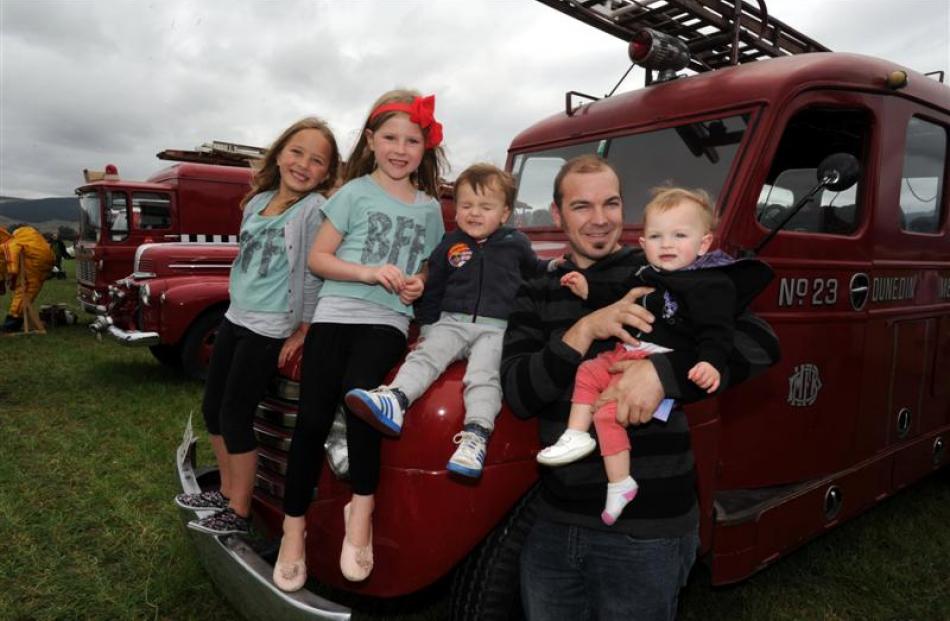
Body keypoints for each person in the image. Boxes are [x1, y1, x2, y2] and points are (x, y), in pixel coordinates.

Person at [500, 155, 780, 621]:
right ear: (557, 215)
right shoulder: (536, 290)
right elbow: (520, 392)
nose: (600, 219)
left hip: (649, 529)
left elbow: (760, 341)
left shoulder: (663, 273)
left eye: (611, 203)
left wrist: (662, 375)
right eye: (582, 206)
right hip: (554, 519)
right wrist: (585, 329)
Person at [274, 90, 446, 590]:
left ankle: (362, 512)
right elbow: (319, 260)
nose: (400, 148)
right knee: (310, 418)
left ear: (424, 148)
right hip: (335, 313)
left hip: (387, 321)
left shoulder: (430, 209)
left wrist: (418, 282)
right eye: (390, 137)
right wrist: (369, 272)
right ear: (370, 142)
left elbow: (426, 268)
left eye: (411, 140)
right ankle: (293, 527)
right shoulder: (352, 193)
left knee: (361, 402)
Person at [536, 187, 773, 525]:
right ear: (643, 244)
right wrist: (588, 288)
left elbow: (717, 331)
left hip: (657, 357)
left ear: (704, 243)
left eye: (679, 235)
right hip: (630, 352)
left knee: (599, 392)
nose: (667, 244)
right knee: (600, 402)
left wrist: (707, 362)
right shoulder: (648, 274)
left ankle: (589, 449)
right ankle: (616, 478)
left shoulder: (710, 283)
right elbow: (619, 294)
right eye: (657, 236)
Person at [173, 117, 340, 538]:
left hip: (269, 326)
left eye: (317, 160)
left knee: (236, 414)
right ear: (280, 152)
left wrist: (302, 329)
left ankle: (241, 509)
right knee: (213, 407)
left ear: (327, 171)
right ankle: (226, 490)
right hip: (236, 316)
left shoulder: (313, 211)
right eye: (297, 152)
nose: (304, 164)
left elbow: (309, 273)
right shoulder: (256, 202)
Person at [344, 163, 560, 478]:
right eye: (466, 205)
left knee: (485, 377)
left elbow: (534, 272)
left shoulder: (516, 244)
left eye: (486, 207)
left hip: (496, 328)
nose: (474, 213)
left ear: (503, 213)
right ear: (455, 209)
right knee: (424, 357)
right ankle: (396, 398)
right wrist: (428, 325)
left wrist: (555, 268)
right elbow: (434, 287)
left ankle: (476, 436)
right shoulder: (449, 244)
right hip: (451, 322)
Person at [0, 225, 55, 332]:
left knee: (24, 292)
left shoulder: (9, 244)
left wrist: (12, 271)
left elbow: (11, 252)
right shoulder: (22, 240)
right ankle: (18, 320)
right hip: (42, 264)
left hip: (34, 266)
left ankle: (11, 324)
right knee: (27, 291)